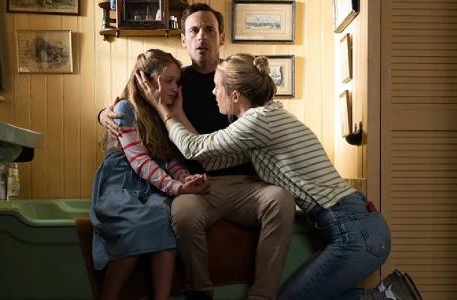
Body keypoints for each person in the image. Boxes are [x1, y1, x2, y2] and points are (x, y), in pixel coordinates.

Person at [138, 53, 423, 300]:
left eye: (217, 88)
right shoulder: (266, 119)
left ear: (235, 95)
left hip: (354, 231)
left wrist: (163, 110)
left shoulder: (258, 121)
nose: (214, 94)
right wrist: (175, 114)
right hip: (354, 225)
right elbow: (208, 159)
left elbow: (192, 146)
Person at [98, 4, 296, 300]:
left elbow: (266, 119)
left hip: (247, 184)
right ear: (183, 40)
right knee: (182, 213)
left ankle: (262, 296)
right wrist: (103, 113)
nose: (201, 36)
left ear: (222, 37)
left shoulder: (238, 78)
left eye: (209, 30)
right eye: (194, 30)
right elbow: (133, 105)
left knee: (281, 199)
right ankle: (199, 291)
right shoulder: (175, 81)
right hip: (199, 183)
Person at [90, 49, 210, 300]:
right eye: (168, 81)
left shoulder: (163, 115)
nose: (175, 88)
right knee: (137, 222)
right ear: (144, 82)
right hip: (121, 183)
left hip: (151, 184)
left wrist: (185, 177)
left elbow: (168, 159)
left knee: (163, 216)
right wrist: (177, 188)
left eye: (177, 82)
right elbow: (141, 161)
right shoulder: (125, 109)